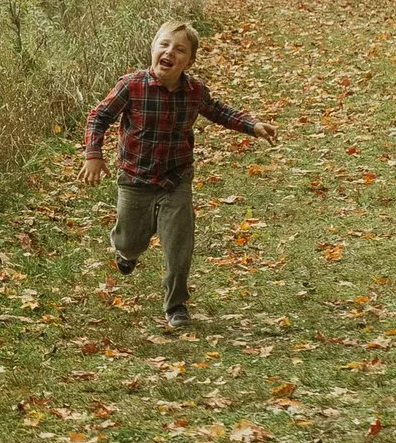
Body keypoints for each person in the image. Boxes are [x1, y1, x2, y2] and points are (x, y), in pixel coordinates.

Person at [79, 20, 278, 329]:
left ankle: (176, 305)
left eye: (179, 49)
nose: (169, 52)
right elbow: (99, 116)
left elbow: (219, 111)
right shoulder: (131, 86)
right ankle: (125, 251)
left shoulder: (194, 91)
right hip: (135, 179)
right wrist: (93, 154)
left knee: (178, 245)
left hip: (176, 179)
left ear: (189, 61)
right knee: (131, 241)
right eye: (164, 45)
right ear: (153, 49)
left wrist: (252, 125)